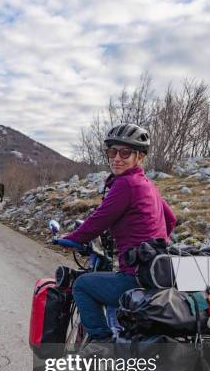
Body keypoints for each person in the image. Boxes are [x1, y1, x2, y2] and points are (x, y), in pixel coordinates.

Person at [64, 123, 177, 342]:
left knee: (82, 285)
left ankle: (101, 342)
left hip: (134, 277)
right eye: (112, 152)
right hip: (156, 274)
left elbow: (100, 218)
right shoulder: (147, 184)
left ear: (140, 157)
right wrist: (156, 244)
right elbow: (171, 219)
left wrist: (72, 239)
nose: (117, 158)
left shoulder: (126, 184)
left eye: (125, 153)